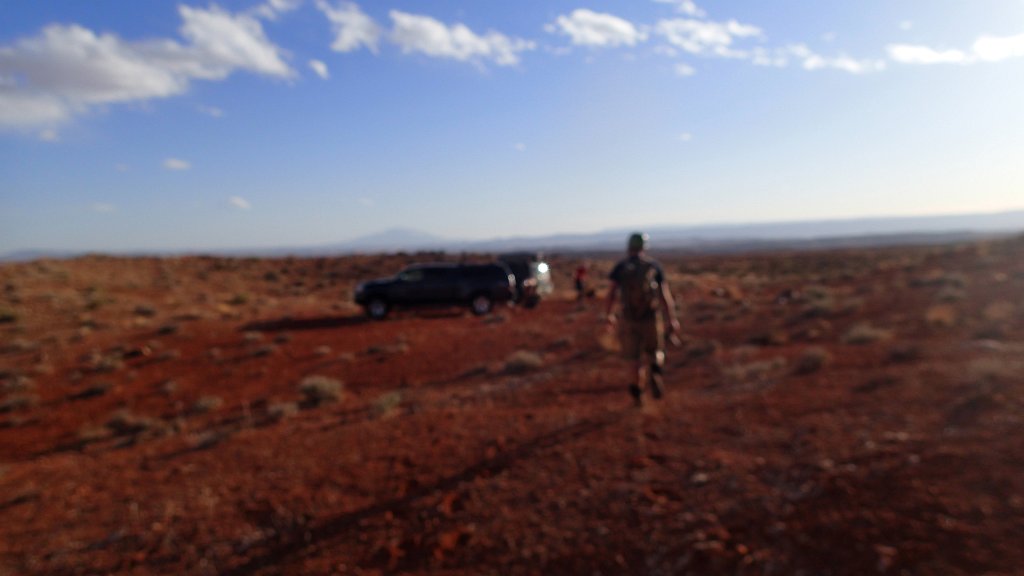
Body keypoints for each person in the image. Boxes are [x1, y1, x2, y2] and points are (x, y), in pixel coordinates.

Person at [604, 232, 682, 406]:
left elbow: (611, 295)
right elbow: (664, 296)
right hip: (651, 318)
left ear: (629, 247)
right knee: (656, 351)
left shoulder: (621, 267)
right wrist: (672, 319)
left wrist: (609, 315)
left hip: (628, 319)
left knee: (634, 361)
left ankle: (638, 395)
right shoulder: (653, 267)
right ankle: (655, 368)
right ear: (644, 247)